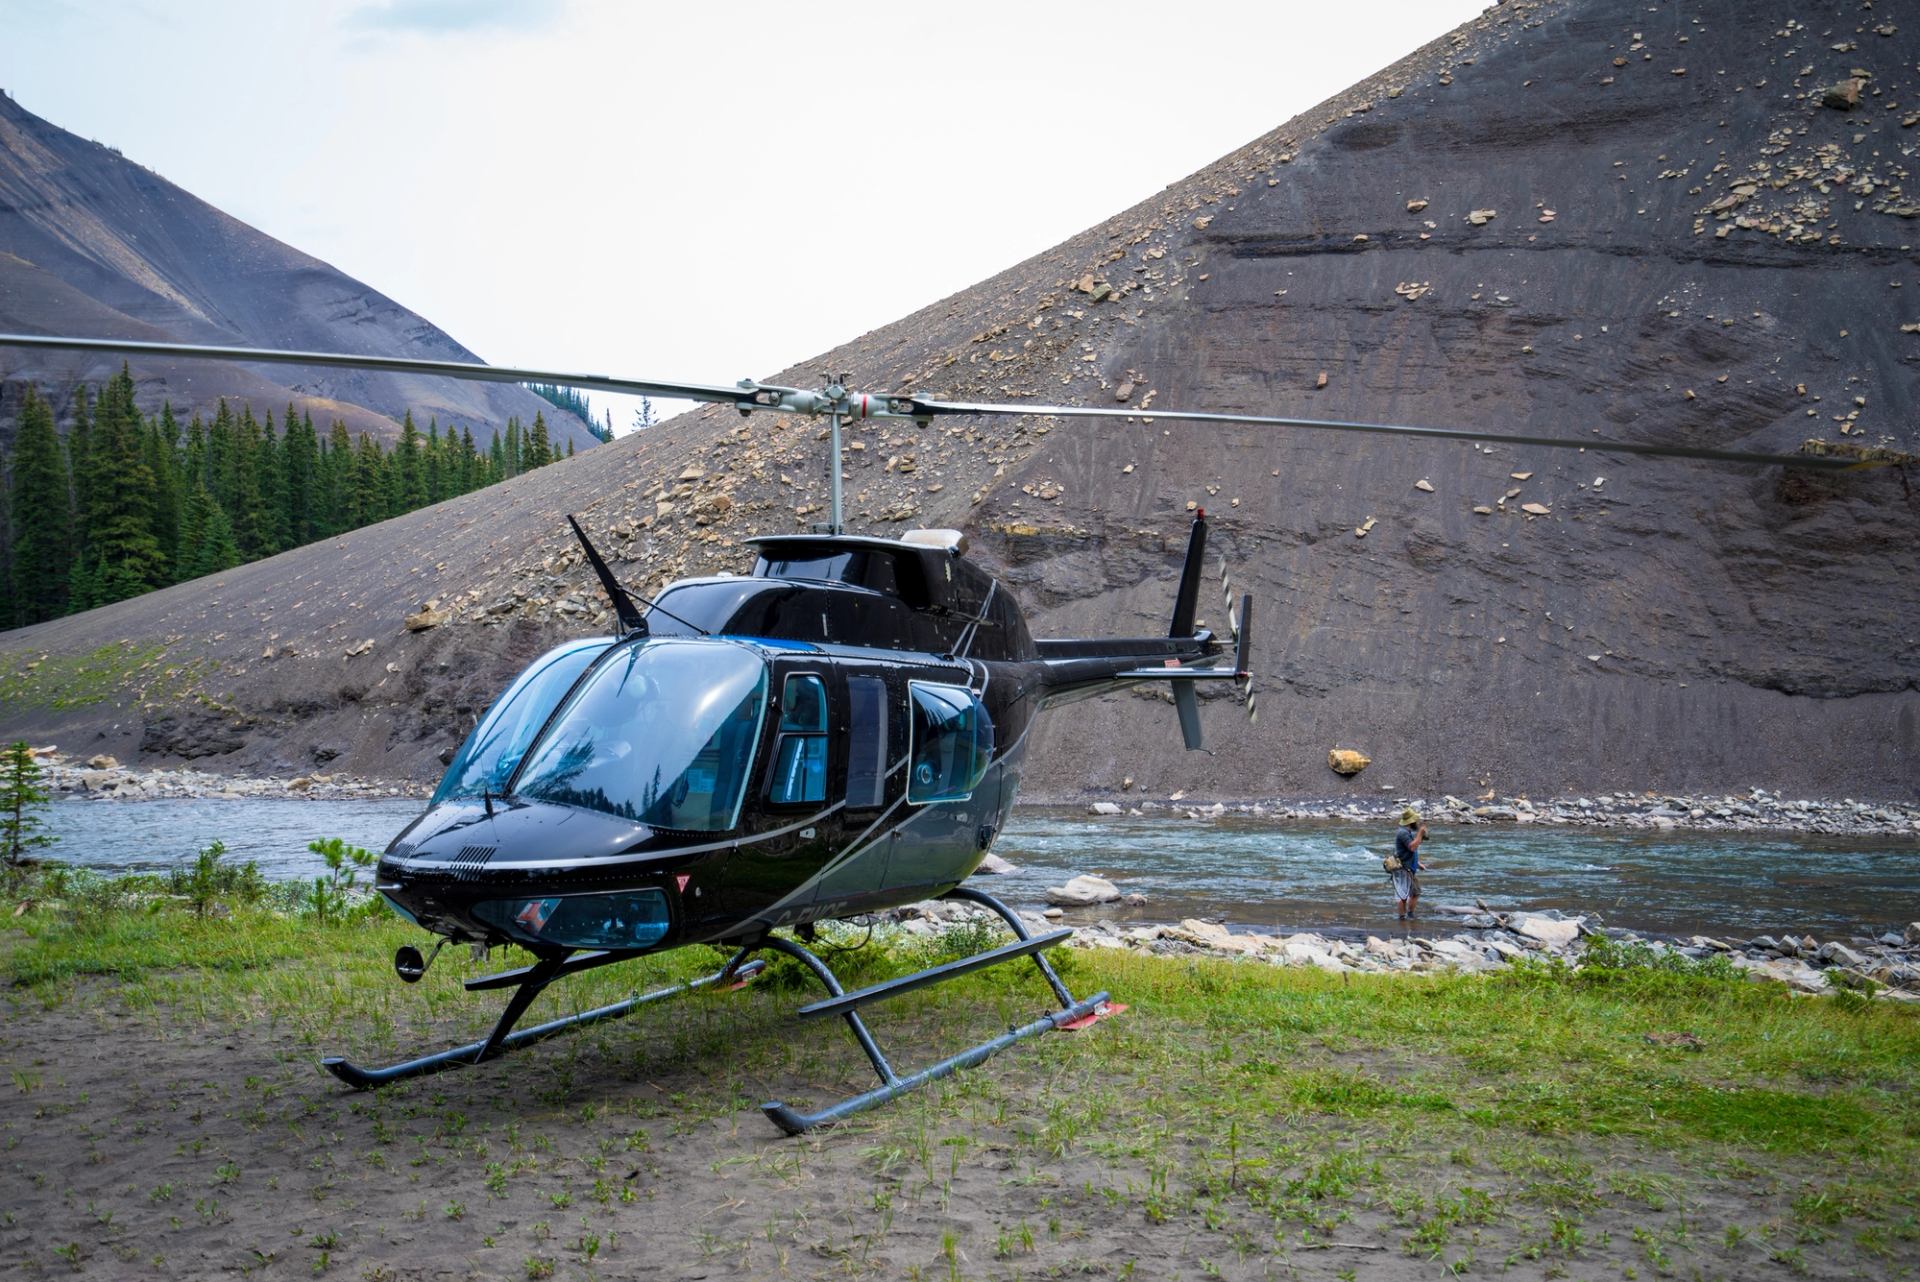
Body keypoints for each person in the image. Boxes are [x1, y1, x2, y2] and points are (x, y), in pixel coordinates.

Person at [1392, 807, 1428, 920]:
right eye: (1415, 821)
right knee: (1411, 894)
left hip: (1407, 868)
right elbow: (1412, 847)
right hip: (1404, 869)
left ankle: (1404, 918)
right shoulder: (1403, 833)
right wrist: (1420, 833)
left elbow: (1407, 851)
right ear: (1411, 821)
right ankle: (1407, 916)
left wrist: (1417, 863)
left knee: (1407, 894)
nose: (1417, 823)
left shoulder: (1406, 832)